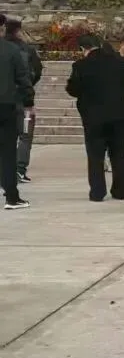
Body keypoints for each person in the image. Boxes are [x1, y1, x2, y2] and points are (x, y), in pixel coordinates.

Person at [66, 34, 124, 203]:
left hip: (94, 117)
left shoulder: (81, 66)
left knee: (95, 155)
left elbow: (73, 89)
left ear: (83, 49)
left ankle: (97, 192)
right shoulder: (118, 63)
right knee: (119, 153)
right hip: (119, 115)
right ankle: (120, 190)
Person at [0, 13, 33, 211]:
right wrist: (29, 101)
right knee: (8, 152)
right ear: (2, 28)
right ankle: (11, 197)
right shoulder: (12, 50)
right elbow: (23, 78)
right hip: (6, 105)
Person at [3, 18, 42, 183]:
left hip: (5, 100)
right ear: (19, 31)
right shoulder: (27, 50)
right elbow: (36, 72)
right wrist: (29, 99)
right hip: (22, 100)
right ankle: (19, 169)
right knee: (25, 135)